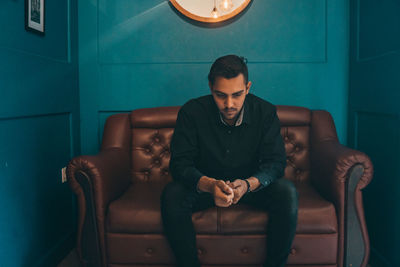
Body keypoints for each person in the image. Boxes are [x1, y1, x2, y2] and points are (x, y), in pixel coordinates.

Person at [161, 54, 298, 267]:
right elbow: (179, 165)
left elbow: (276, 163)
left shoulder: (266, 112)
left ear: (248, 87)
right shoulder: (191, 112)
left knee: (286, 192)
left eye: (237, 94)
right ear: (210, 87)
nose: (229, 104)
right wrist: (209, 185)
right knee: (172, 194)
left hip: (249, 187)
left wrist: (248, 184)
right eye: (220, 95)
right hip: (207, 188)